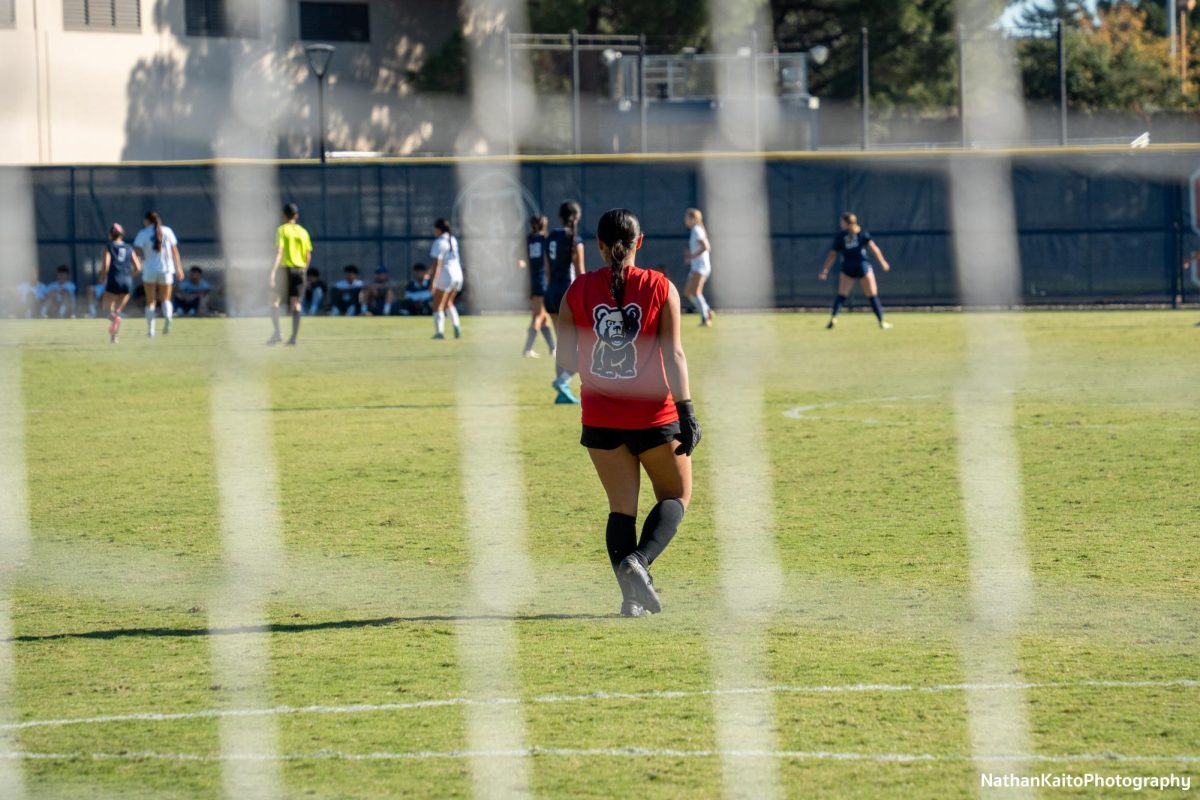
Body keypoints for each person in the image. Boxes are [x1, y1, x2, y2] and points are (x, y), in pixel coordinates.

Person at [556, 208, 703, 618]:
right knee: (676, 495)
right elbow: (674, 353)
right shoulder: (660, 285)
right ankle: (639, 562)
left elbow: (565, 358)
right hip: (654, 417)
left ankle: (631, 600)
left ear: (598, 246)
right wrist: (687, 410)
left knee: (622, 507)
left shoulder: (577, 290)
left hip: (600, 418)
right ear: (640, 242)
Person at [819, 212, 893, 330]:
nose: (840, 223)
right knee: (872, 295)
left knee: (842, 295)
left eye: (841, 221)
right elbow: (874, 249)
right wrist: (883, 262)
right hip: (862, 265)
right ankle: (882, 321)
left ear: (845, 222)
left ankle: (834, 317)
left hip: (848, 266)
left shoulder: (841, 236)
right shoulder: (861, 233)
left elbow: (833, 255)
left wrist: (825, 270)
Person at [545, 201, 586, 403]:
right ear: (577, 217)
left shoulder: (550, 237)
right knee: (587, 347)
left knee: (562, 346)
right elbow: (580, 273)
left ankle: (562, 393)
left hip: (550, 293)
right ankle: (563, 381)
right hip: (567, 294)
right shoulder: (575, 239)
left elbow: (547, 270)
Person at [133, 211, 183, 337]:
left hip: (150, 270)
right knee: (165, 299)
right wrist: (179, 269)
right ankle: (168, 318)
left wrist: (136, 266)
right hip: (166, 269)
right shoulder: (168, 231)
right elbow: (175, 252)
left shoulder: (143, 233)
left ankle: (151, 331)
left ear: (146, 221)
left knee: (150, 301)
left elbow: (136, 253)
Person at [268, 202, 312, 346]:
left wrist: (273, 271)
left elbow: (279, 252)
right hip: (300, 270)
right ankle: (293, 338)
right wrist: (304, 270)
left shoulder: (282, 230)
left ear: (284, 215)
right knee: (296, 304)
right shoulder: (303, 231)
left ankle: (277, 333)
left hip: (285, 269)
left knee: (274, 301)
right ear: (296, 216)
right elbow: (308, 255)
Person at [519, 214, 555, 358]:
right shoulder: (546, 240)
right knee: (538, 316)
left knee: (543, 316)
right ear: (543, 225)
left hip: (531, 281)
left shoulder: (528, 240)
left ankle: (553, 348)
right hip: (542, 281)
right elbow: (548, 263)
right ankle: (527, 349)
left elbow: (523, 259)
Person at [99, 223, 141, 342]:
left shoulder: (109, 247)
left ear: (110, 235)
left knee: (107, 309)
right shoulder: (129, 247)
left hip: (114, 279)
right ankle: (114, 337)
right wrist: (129, 276)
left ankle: (114, 322)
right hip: (127, 281)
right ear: (121, 235)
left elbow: (106, 265)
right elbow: (138, 267)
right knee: (118, 311)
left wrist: (102, 276)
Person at [428, 218, 463, 339]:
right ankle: (457, 326)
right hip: (458, 275)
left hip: (446, 275)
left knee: (437, 305)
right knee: (448, 303)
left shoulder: (439, 242)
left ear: (439, 229)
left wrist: (433, 281)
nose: (434, 231)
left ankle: (439, 332)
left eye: (435, 228)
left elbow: (437, 263)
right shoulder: (452, 239)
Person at [682, 208, 714, 327]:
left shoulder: (696, 230)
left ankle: (705, 318)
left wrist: (691, 256)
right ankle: (707, 311)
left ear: (693, 218)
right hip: (697, 267)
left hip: (701, 267)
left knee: (695, 292)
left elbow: (706, 246)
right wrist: (691, 258)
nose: (685, 220)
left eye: (687, 217)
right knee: (688, 293)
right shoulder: (695, 230)